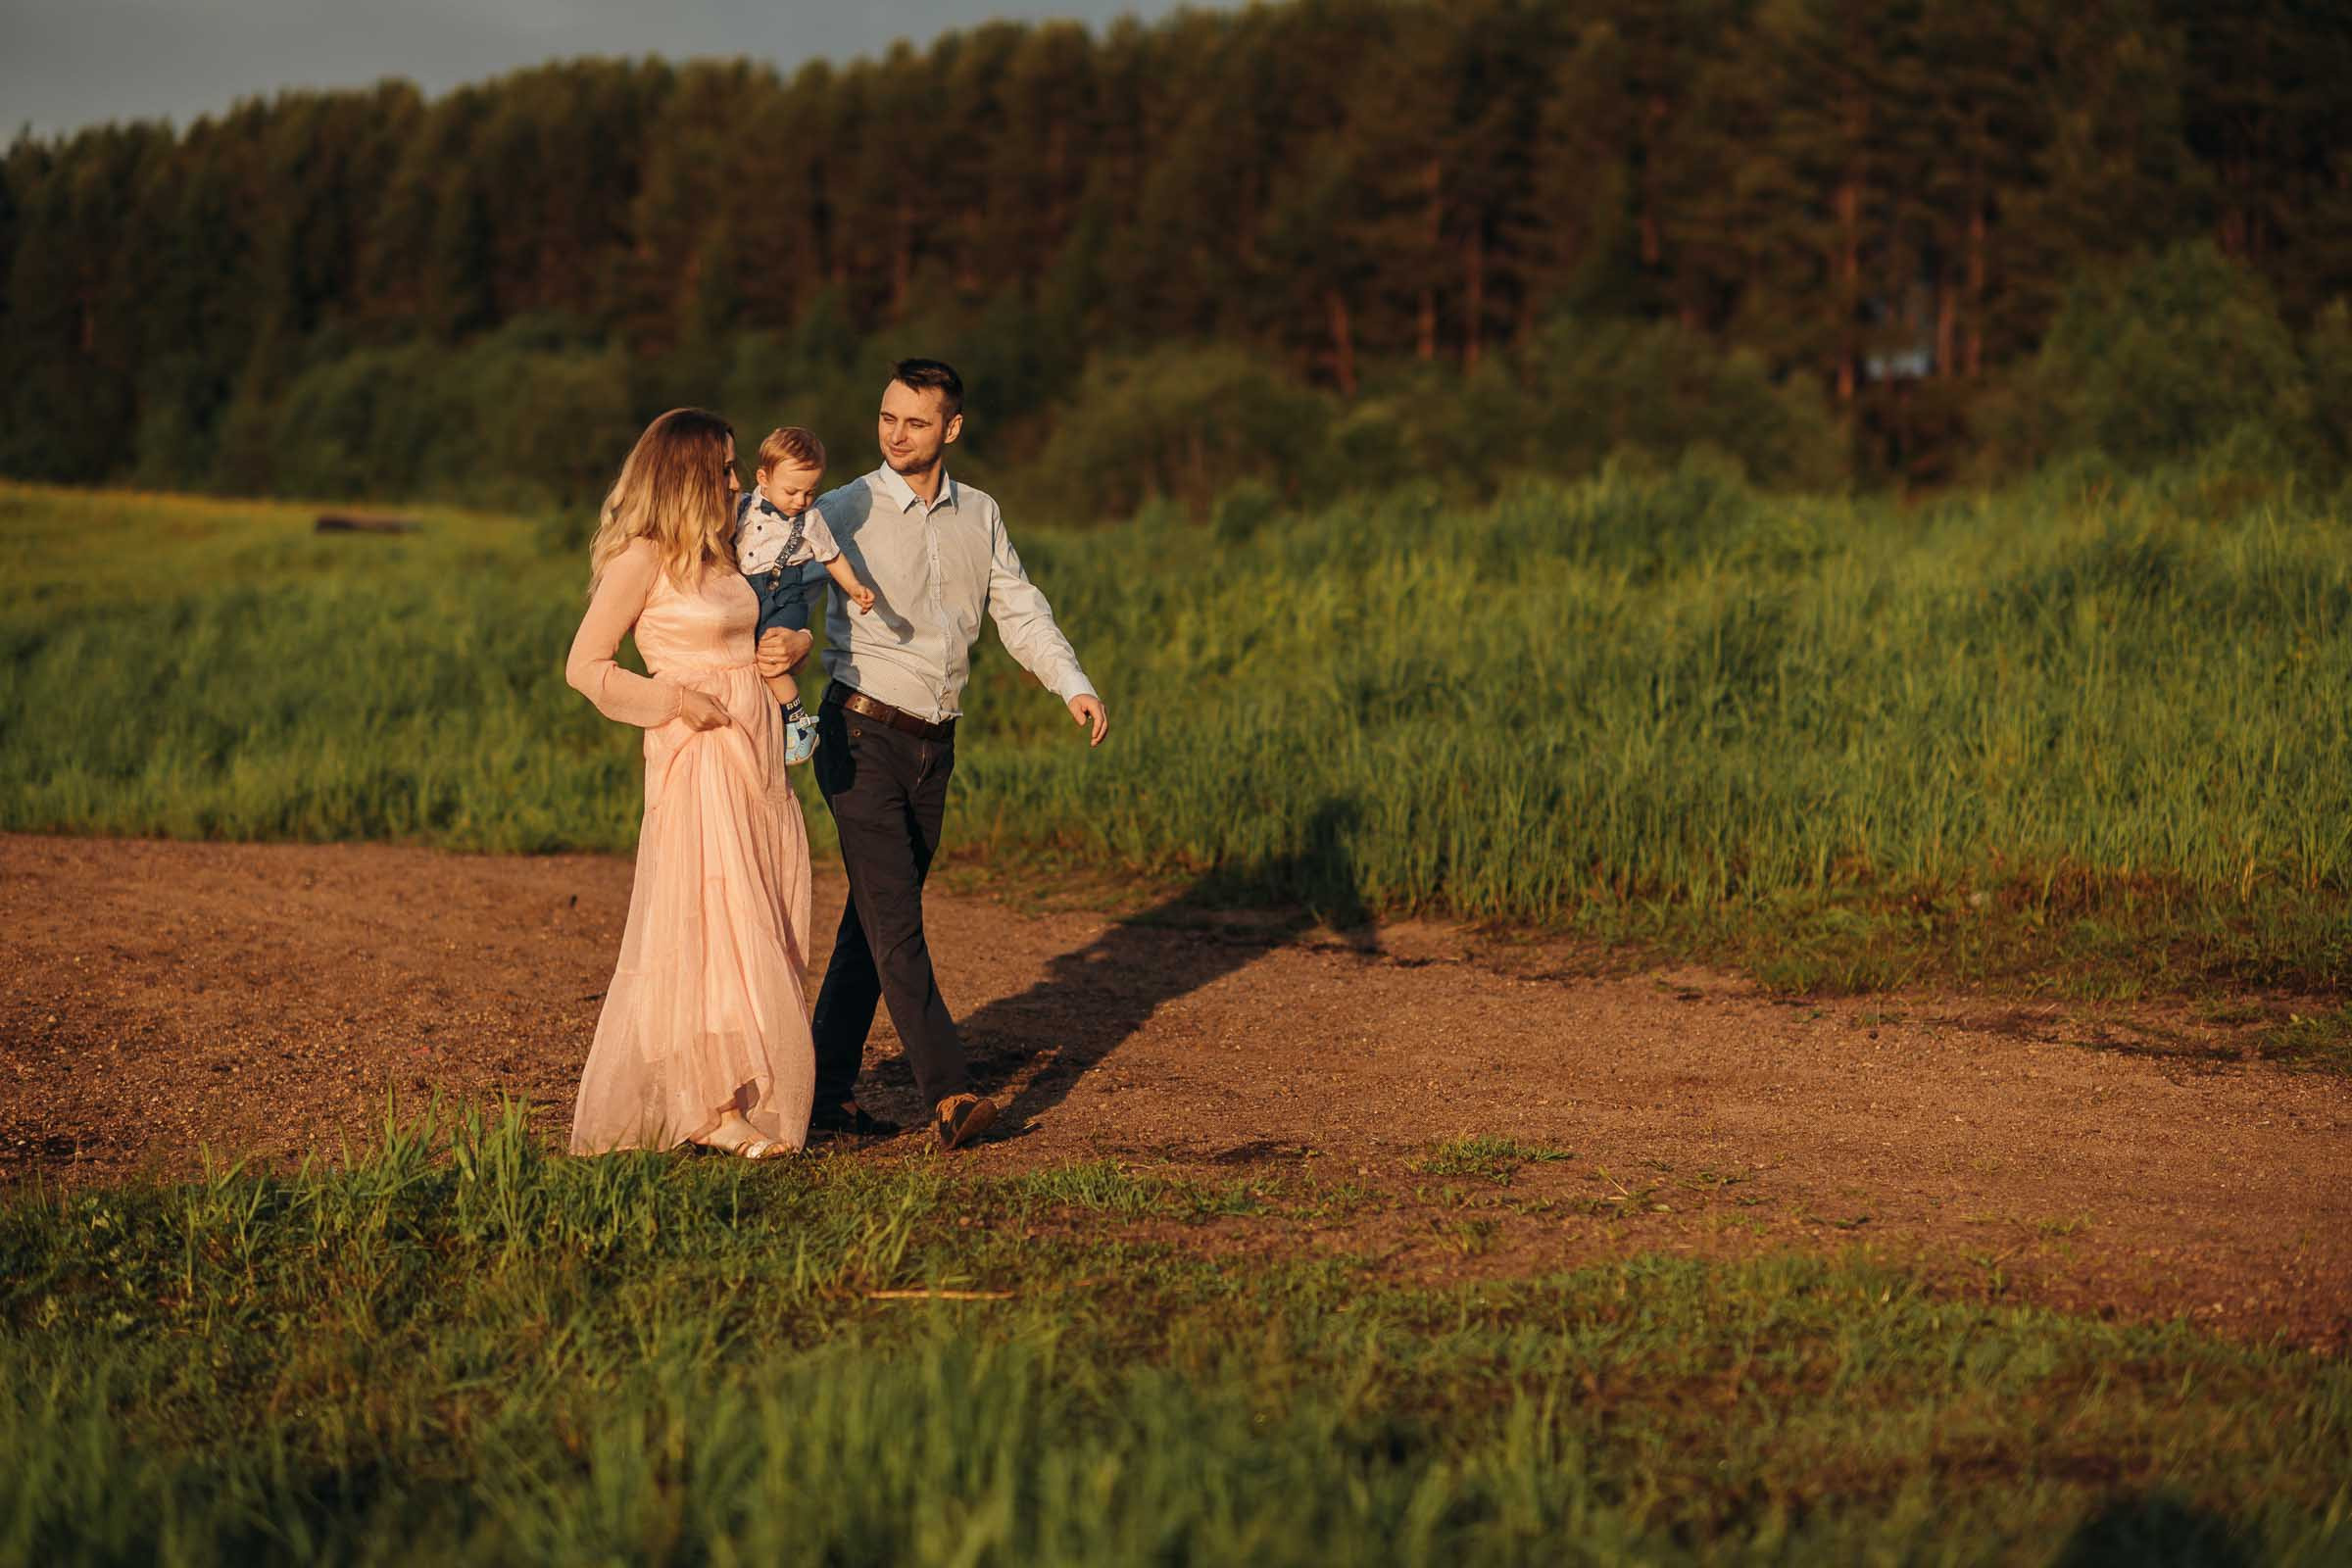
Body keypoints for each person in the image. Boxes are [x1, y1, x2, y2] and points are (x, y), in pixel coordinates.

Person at [800, 358, 1109, 1152]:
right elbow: (763, 574)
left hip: (935, 747)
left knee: (871, 928)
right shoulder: (841, 507)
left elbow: (1019, 607)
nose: (895, 435)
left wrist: (1069, 680)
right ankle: (951, 1095)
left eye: (914, 422)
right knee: (898, 924)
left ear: (952, 428)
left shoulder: (982, 514)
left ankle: (824, 1097)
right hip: (859, 735)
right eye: (886, 418)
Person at [564, 408, 818, 1159]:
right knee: (713, 918)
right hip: (697, 755)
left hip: (755, 754)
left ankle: (741, 1088)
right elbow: (587, 668)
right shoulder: (640, 560)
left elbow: (783, 610)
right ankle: (708, 1108)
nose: (739, 483)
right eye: (727, 469)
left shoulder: (724, 552)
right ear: (689, 475)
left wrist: (792, 642)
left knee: (765, 911)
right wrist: (675, 700)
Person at [735, 425, 876, 764]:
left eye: (810, 492)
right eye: (792, 491)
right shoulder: (741, 506)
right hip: (745, 592)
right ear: (763, 478)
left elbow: (832, 557)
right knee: (746, 658)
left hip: (786, 594)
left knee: (771, 655)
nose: (801, 501)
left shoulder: (810, 520)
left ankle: (797, 721)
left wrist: (854, 587)